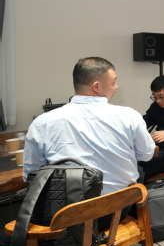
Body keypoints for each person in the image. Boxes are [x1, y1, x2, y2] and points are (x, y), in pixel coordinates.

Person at [23, 57, 156, 195]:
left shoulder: (42, 123)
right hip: (119, 203)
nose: (116, 87)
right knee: (139, 173)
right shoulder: (129, 116)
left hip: (67, 206)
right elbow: (147, 154)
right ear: (97, 86)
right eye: (113, 82)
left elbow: (31, 175)